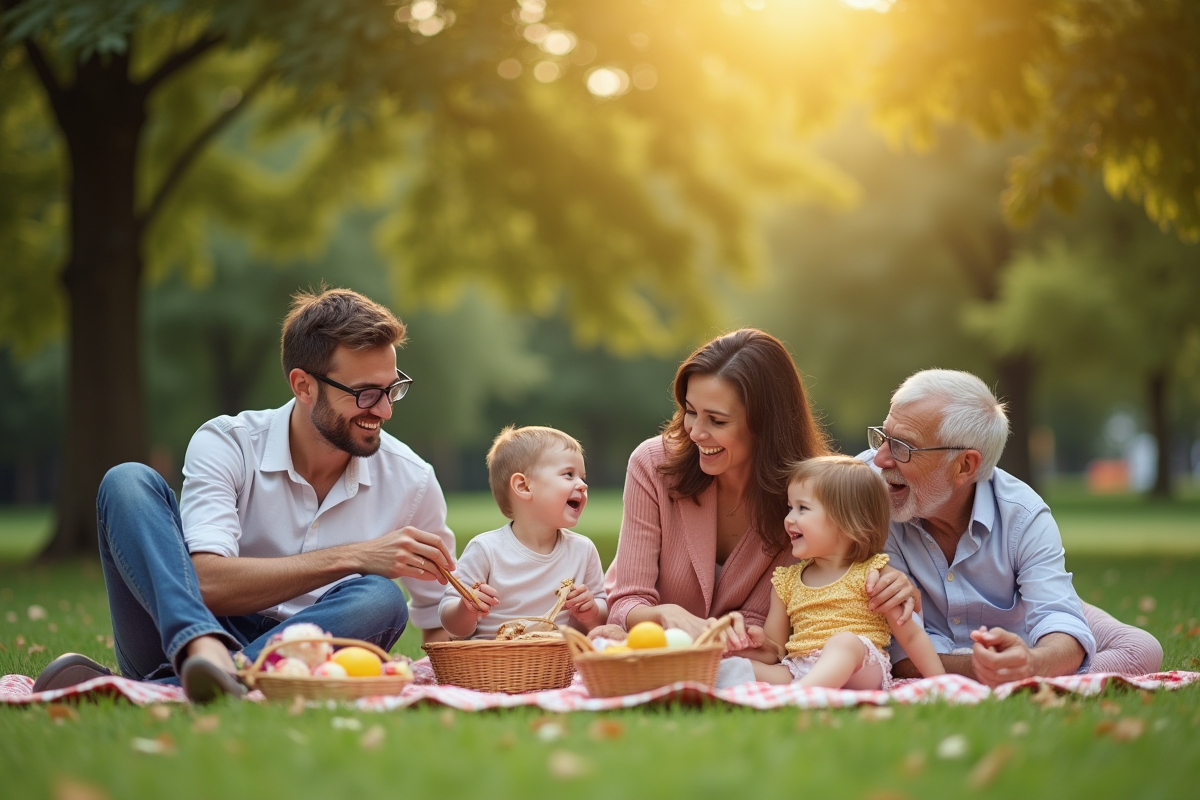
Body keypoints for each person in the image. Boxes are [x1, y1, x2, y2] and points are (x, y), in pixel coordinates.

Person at [33, 289, 457, 702]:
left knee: (383, 599)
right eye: (366, 393)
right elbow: (205, 583)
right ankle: (204, 651)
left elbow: (443, 614)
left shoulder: (412, 480)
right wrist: (355, 556)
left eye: (392, 389)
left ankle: (170, 687)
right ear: (303, 386)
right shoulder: (229, 444)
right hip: (182, 632)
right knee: (126, 482)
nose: (384, 410)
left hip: (309, 645)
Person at [602, 329, 916, 660]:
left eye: (717, 420)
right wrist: (664, 615)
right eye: (691, 410)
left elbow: (769, 621)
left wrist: (890, 581)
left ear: (765, 425)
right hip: (647, 654)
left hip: (735, 665)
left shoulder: (807, 497)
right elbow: (626, 602)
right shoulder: (653, 465)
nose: (695, 432)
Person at [867, 369, 1163, 686]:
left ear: (964, 466)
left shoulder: (1023, 515)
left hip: (1019, 621)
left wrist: (1031, 662)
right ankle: (1027, 679)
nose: (881, 458)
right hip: (926, 638)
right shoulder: (859, 491)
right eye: (883, 437)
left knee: (1141, 649)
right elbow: (899, 655)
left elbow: (1058, 617)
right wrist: (987, 670)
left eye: (903, 447)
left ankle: (1025, 675)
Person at [748, 456, 946, 688]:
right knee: (733, 667)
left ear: (845, 521)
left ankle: (803, 694)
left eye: (803, 508)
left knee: (844, 643)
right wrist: (757, 644)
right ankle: (806, 690)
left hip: (862, 669)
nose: (789, 519)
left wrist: (942, 684)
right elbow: (776, 650)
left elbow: (911, 636)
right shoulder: (786, 582)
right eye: (790, 508)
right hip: (801, 671)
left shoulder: (874, 574)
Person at [439, 426, 606, 639]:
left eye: (582, 477)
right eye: (568, 475)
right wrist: (467, 608)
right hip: (494, 663)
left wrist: (592, 611)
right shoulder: (486, 550)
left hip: (558, 662)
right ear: (524, 486)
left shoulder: (583, 550)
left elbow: (602, 614)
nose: (582, 485)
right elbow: (451, 624)